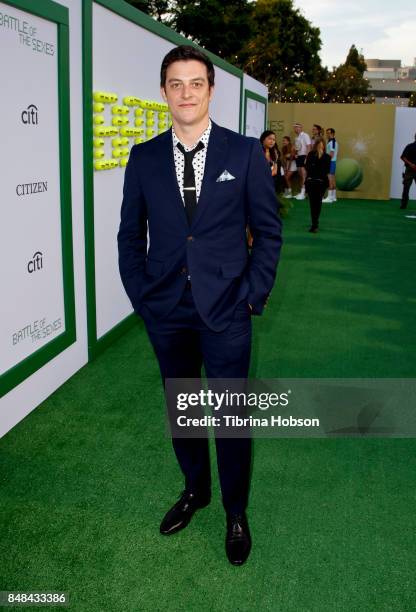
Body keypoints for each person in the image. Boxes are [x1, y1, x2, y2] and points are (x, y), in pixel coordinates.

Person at [117, 45, 282, 566]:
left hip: (228, 309)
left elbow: (269, 232)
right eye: (175, 83)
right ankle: (196, 491)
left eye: (195, 83)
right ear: (164, 91)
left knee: (231, 417)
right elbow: (129, 237)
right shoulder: (143, 157)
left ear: (211, 90)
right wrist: (144, 300)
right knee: (183, 412)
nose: (186, 93)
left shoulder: (243, 153)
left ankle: (235, 511)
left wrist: (252, 295)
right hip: (167, 312)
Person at [305, 137, 331, 233]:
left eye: (321, 145)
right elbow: (308, 167)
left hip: (317, 182)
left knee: (315, 204)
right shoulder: (314, 155)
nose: (320, 146)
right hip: (316, 182)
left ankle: (315, 223)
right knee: (315, 204)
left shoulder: (324, 156)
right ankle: (314, 223)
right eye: (319, 145)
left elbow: (325, 171)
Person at [293, 122, 311, 200]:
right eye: (295, 127)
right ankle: (302, 192)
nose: (296, 129)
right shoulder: (296, 137)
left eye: (297, 127)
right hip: (299, 156)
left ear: (301, 128)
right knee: (301, 175)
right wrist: (296, 154)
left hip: (304, 156)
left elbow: (309, 146)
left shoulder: (305, 135)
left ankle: (303, 193)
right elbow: (297, 147)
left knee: (304, 174)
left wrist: (307, 157)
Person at [399, 133, 416, 209]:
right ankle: (403, 204)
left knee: (406, 187)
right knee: (406, 187)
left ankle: (403, 204)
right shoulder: (410, 146)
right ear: (415, 137)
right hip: (409, 170)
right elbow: (402, 157)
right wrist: (411, 164)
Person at [323, 128, 339, 203]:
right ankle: (333, 197)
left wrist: (326, 161)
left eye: (329, 133)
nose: (327, 134)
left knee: (330, 179)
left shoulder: (332, 142)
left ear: (333, 134)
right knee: (332, 179)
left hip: (331, 162)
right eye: (327, 133)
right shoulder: (331, 142)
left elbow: (331, 154)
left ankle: (329, 197)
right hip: (332, 162)